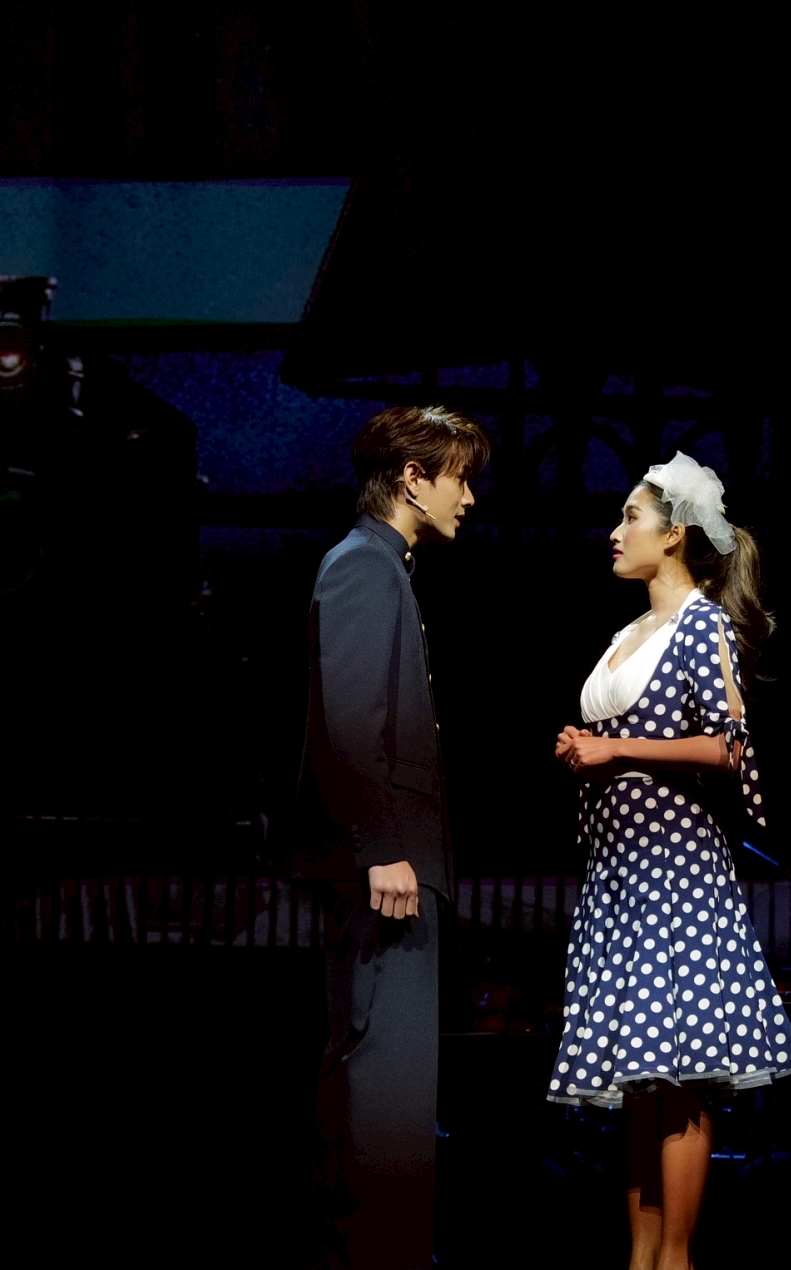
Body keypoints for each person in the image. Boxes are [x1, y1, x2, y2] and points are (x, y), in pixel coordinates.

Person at [549, 451, 791, 1270]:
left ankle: (676, 1260)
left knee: (681, 1073)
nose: (615, 530)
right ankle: (642, 1256)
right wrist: (585, 747)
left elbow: (731, 747)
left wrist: (615, 748)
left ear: (673, 534)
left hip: (676, 875)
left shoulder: (703, 623)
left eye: (631, 516)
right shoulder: (627, 634)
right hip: (619, 877)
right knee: (642, 1080)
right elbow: (620, 741)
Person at [295, 404, 490, 1270]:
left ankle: (372, 1245)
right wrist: (381, 846)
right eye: (460, 478)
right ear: (413, 477)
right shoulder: (364, 566)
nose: (469, 498)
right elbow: (349, 719)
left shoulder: (382, 567)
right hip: (384, 862)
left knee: (382, 1066)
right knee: (387, 1070)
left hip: (390, 858)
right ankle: (380, 1250)